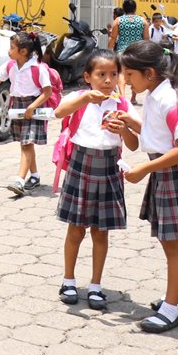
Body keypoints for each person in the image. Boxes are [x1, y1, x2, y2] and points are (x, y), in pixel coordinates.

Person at [117, 40, 178, 333]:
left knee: (174, 242)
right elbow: (158, 135)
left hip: (175, 173)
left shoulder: (168, 100)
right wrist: (129, 124)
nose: (126, 80)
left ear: (150, 73)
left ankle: (170, 311)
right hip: (165, 171)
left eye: (130, 74)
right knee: (166, 238)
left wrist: (144, 168)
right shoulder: (156, 95)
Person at [52, 49, 139, 311]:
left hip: (109, 167)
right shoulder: (79, 97)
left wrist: (125, 128)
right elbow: (59, 112)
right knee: (75, 228)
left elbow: (134, 144)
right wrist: (85, 100)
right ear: (87, 77)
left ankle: (96, 285)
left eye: (114, 74)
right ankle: (68, 280)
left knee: (101, 232)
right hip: (81, 164)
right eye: (101, 75)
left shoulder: (121, 104)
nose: (108, 80)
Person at [0, 31, 52, 197]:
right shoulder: (10, 66)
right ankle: (34, 176)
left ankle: (20, 180)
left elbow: (47, 92)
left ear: (23, 51)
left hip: (33, 108)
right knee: (25, 143)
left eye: (12, 48)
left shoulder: (38, 68)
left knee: (26, 144)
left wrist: (32, 107)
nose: (9, 51)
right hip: (18, 106)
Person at [109, 0, 148, 103]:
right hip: (137, 51)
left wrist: (108, 49)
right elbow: (146, 39)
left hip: (122, 51)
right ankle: (133, 98)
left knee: (121, 74)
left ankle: (122, 97)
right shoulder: (143, 21)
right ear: (135, 8)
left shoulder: (118, 20)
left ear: (124, 8)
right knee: (135, 74)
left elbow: (113, 37)